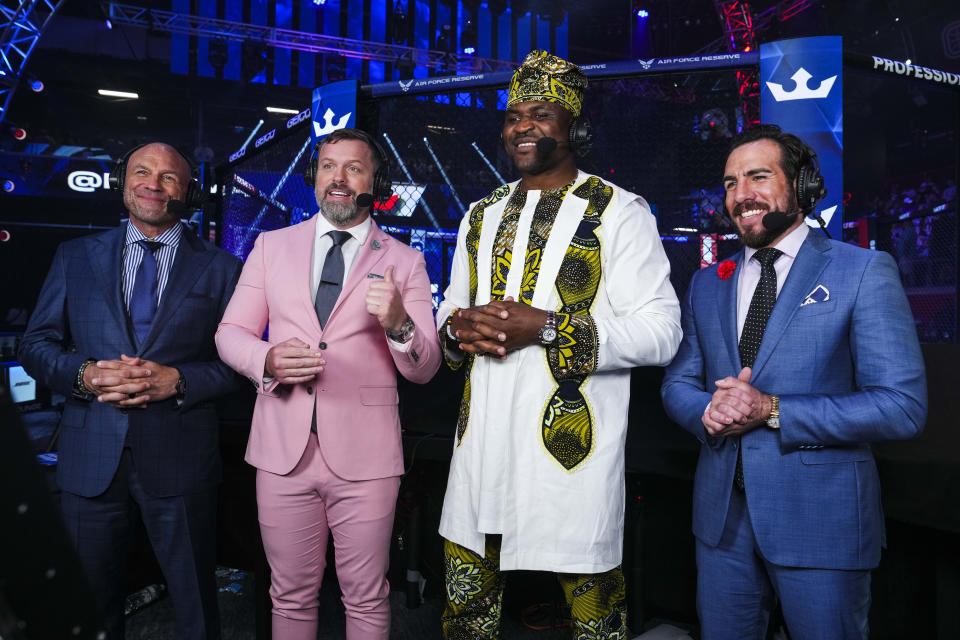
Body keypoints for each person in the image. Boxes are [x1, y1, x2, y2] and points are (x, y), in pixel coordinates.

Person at [435, 50, 682, 639]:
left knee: (595, 617)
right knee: (467, 613)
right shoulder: (480, 213)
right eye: (513, 115)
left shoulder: (621, 212)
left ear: (575, 127)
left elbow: (662, 331)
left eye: (540, 113)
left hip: (571, 461)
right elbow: (450, 306)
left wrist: (544, 327)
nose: (521, 127)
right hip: (481, 453)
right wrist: (455, 327)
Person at [660, 124, 927, 639]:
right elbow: (679, 384)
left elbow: (901, 406)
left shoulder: (863, 271)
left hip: (821, 523)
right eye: (731, 183)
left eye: (758, 177)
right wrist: (707, 413)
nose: (742, 195)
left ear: (801, 186)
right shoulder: (706, 283)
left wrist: (771, 409)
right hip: (721, 527)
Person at [215, 127, 442, 640]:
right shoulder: (272, 246)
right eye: (326, 166)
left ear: (374, 182)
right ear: (315, 177)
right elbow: (230, 333)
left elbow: (423, 369)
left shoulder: (405, 261)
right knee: (289, 594)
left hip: (366, 458)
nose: (337, 179)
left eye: (353, 168)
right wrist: (266, 358)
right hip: (281, 450)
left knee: (364, 596)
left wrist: (400, 324)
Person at [19, 142, 243, 639]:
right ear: (123, 182)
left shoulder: (224, 268)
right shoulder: (74, 257)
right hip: (90, 455)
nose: (153, 184)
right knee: (90, 602)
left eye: (169, 177)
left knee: (195, 607)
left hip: (182, 457)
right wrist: (85, 375)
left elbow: (240, 365)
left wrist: (179, 380)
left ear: (187, 191)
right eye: (142, 172)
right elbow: (36, 345)